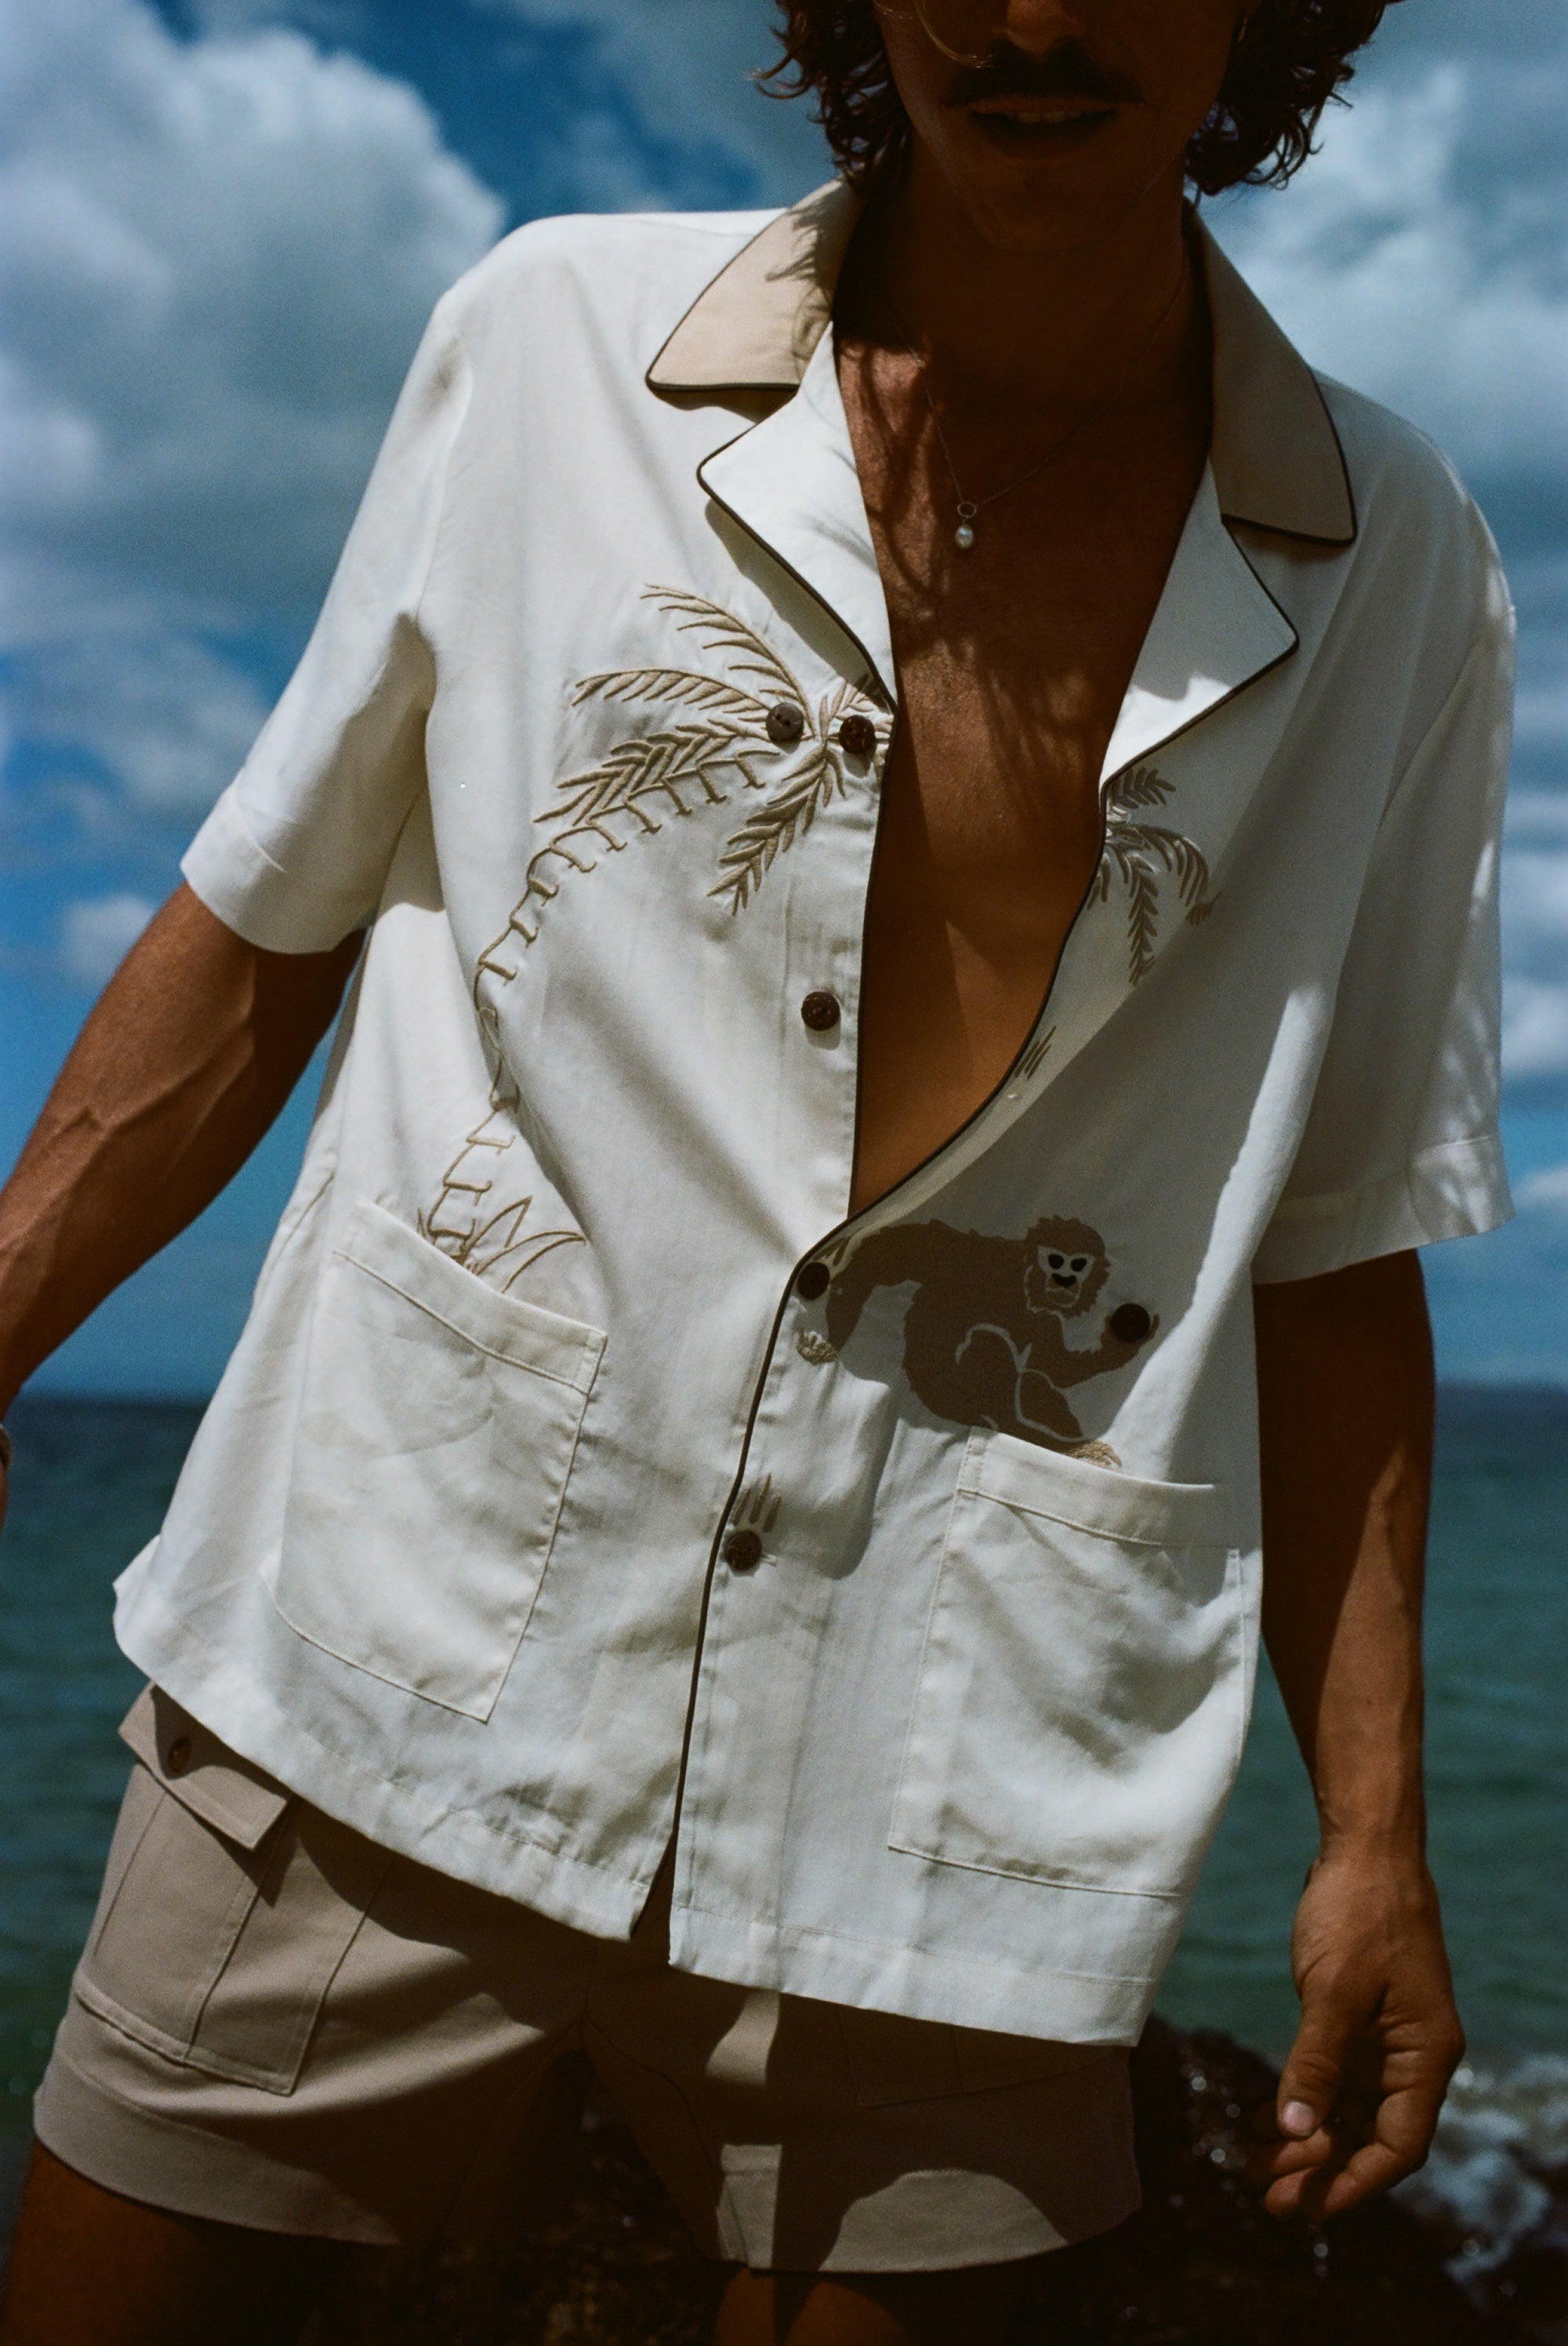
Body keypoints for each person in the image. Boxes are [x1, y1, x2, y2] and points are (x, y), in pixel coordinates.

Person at [0, 0, 1514, 2339]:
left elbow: (1331, 1231)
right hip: (389, 1638)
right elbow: (263, 931)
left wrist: (1376, 1839)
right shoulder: (552, 342)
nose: (1033, 13)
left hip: (963, 1771)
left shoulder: (1399, 559)